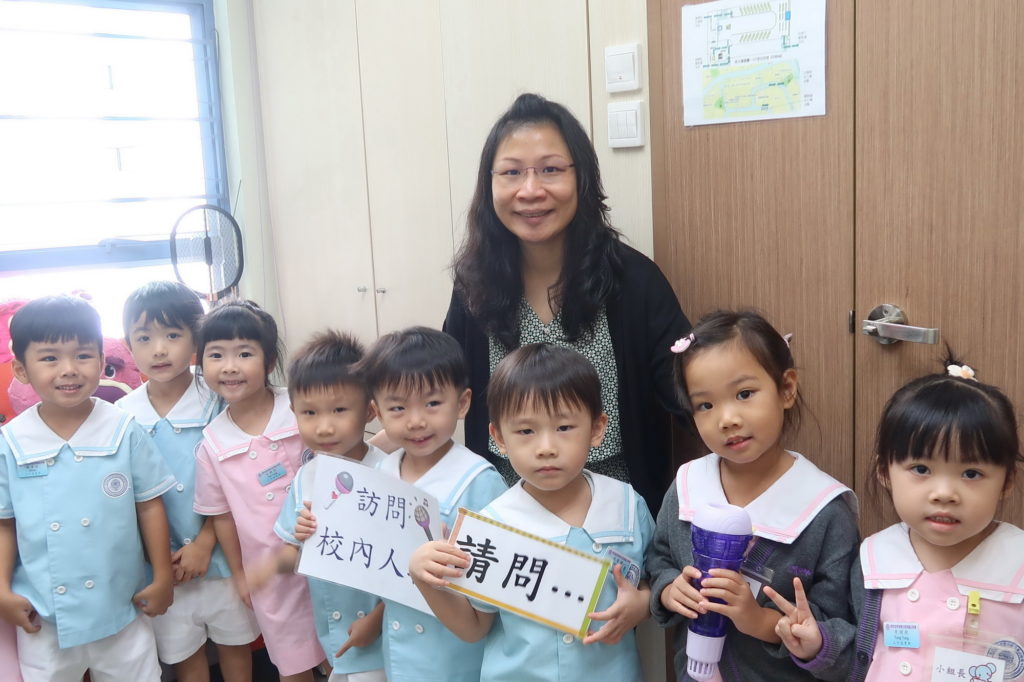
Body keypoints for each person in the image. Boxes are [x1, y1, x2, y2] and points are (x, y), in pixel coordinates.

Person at [443, 92, 691, 515]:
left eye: (551, 170)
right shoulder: (474, 285)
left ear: (583, 178)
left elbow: (689, 387)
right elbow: (439, 388)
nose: (530, 190)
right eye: (512, 172)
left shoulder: (634, 281)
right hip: (506, 515)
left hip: (616, 518)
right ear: (490, 184)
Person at [768, 356, 1024, 682]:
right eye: (921, 469)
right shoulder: (876, 559)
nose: (944, 493)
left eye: (971, 473)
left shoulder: (1017, 561)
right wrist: (818, 646)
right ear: (885, 471)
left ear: (1007, 481)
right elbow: (861, 659)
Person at [410, 343, 655, 681]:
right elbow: (474, 627)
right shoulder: (493, 524)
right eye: (526, 431)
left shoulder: (626, 504)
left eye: (564, 427)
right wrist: (424, 579)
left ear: (597, 428)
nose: (546, 448)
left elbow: (653, 580)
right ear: (499, 437)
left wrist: (642, 605)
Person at [648, 310, 860, 681]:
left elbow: (838, 629)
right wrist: (668, 589)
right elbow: (659, 557)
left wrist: (760, 620)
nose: (727, 419)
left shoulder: (825, 510)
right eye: (705, 405)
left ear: (786, 389)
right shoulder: (687, 485)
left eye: (744, 394)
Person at [0, 295, 175, 681]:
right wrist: (1, 590)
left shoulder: (123, 428)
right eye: (49, 358)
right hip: (43, 616)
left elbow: (150, 506)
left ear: (101, 359)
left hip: (123, 605)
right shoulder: (10, 442)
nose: (69, 370)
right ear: (21, 370)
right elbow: (5, 523)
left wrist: (163, 577)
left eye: (82, 355)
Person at [117, 281, 258, 682]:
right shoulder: (123, 415)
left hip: (222, 555)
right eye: (144, 338)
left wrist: (205, 542)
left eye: (172, 335)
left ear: (196, 339)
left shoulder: (219, 399)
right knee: (185, 654)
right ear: (128, 346)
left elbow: (238, 482)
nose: (159, 349)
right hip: (162, 568)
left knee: (234, 645)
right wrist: (159, 559)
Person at [356, 326, 507, 681]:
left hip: (455, 653)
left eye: (433, 403)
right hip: (398, 647)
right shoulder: (381, 473)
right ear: (377, 412)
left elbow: (492, 587)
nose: (416, 421)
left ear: (463, 403)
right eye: (398, 407)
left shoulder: (480, 482)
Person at [191, 299, 325, 682]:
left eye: (244, 353)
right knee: (292, 661)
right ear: (201, 364)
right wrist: (240, 574)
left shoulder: (301, 407)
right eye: (216, 354)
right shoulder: (212, 444)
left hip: (327, 555)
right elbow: (221, 517)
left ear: (269, 362)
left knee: (343, 651)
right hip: (271, 575)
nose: (230, 366)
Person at [250, 329, 388, 681]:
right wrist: (269, 568)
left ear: (369, 411)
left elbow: (407, 571)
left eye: (339, 410)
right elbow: (292, 551)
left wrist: (378, 620)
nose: (324, 427)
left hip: (383, 636)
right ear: (293, 412)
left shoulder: (389, 473)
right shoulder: (307, 476)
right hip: (334, 635)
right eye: (309, 412)